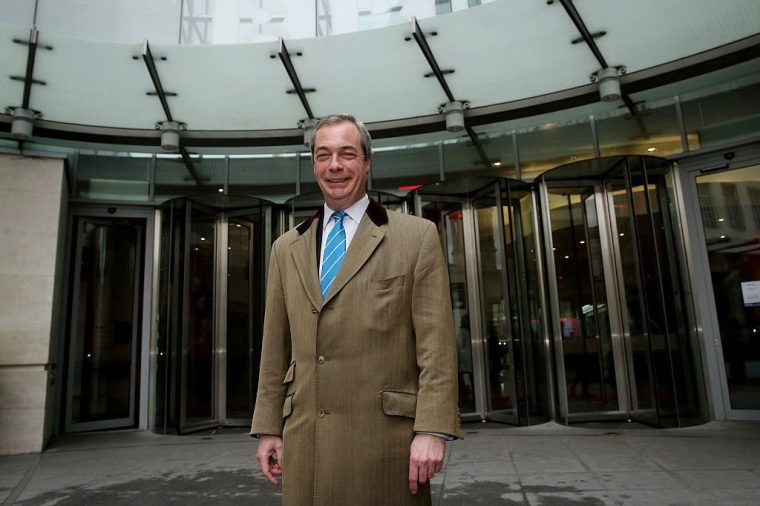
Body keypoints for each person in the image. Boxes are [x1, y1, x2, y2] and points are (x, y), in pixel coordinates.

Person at [251, 114, 460, 505]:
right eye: (323, 155)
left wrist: (432, 429)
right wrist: (267, 427)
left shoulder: (415, 237)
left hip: (384, 448)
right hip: (306, 445)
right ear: (313, 164)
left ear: (367, 161)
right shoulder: (286, 248)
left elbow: (437, 346)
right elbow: (274, 348)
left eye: (347, 154)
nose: (335, 165)